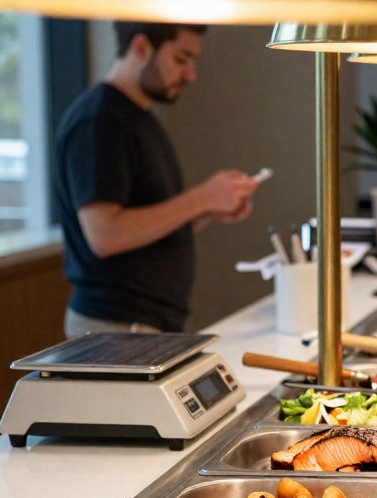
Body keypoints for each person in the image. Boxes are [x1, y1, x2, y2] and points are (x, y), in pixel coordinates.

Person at [55, 22, 259, 337]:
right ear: (140, 47)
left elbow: (147, 224)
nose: (190, 74)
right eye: (181, 59)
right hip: (116, 326)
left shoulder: (139, 117)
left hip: (143, 324)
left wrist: (208, 210)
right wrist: (202, 198)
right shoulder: (100, 121)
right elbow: (105, 235)